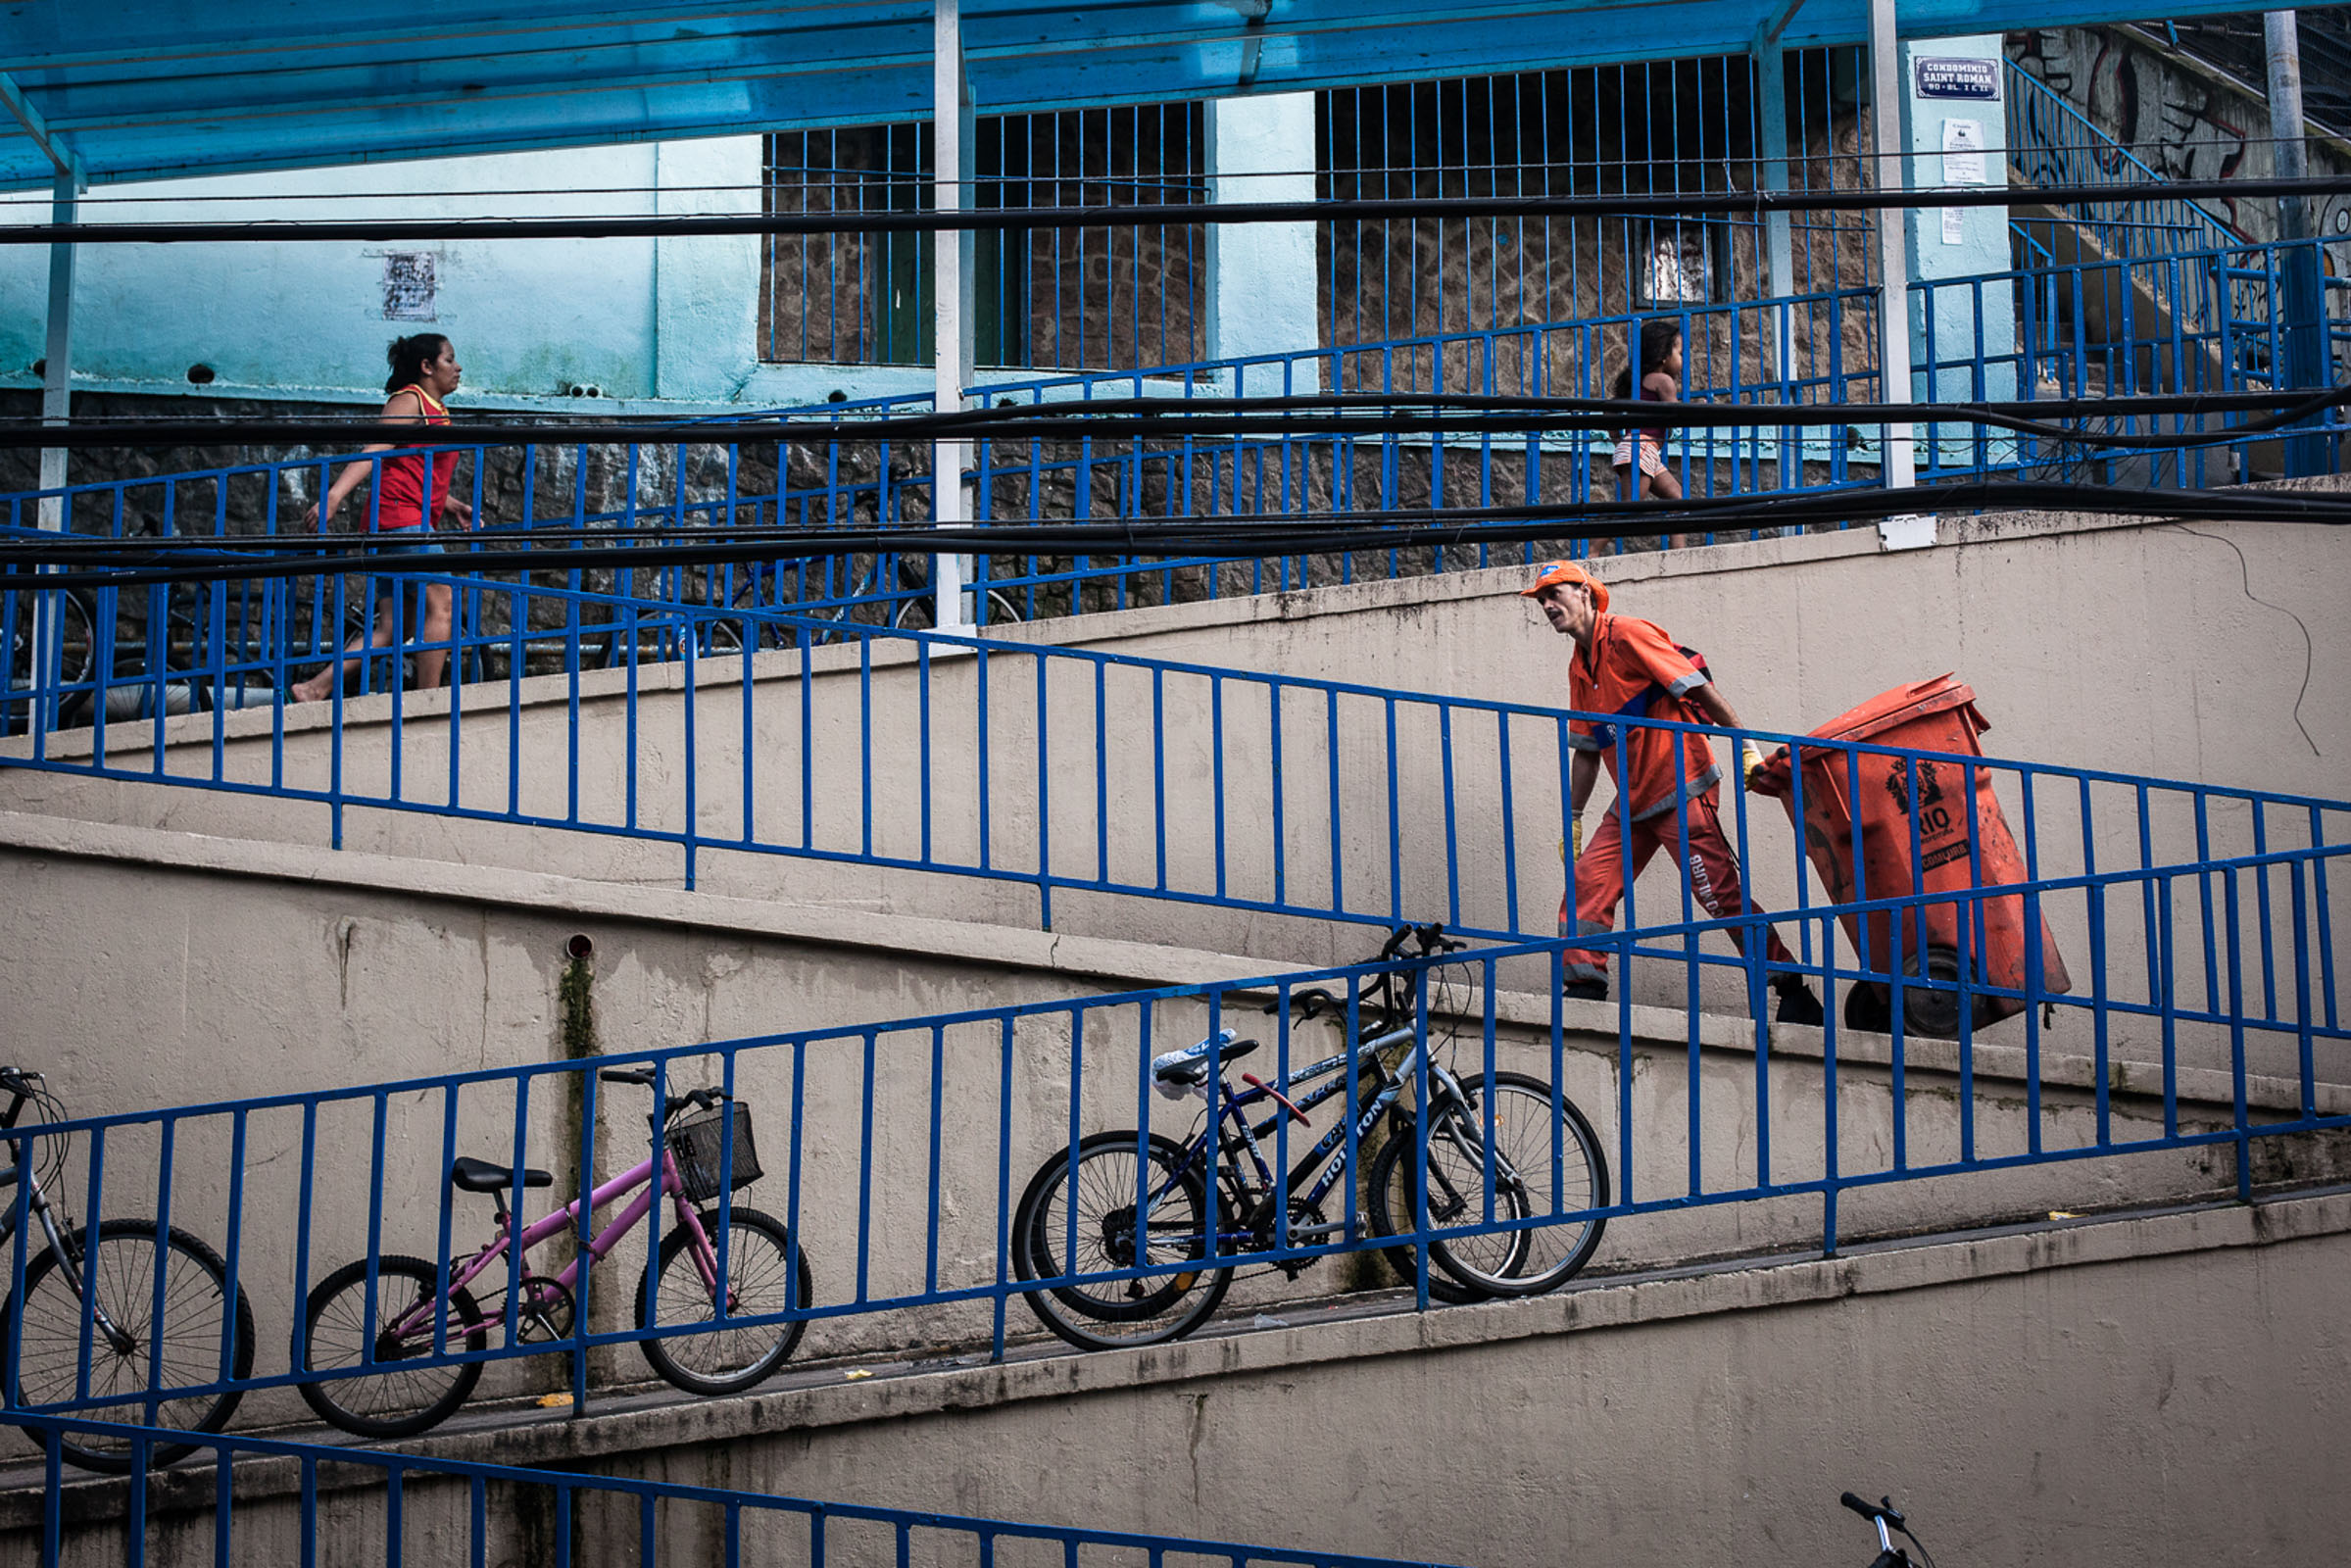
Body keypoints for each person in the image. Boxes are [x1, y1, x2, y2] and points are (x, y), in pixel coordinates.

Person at [1521, 559, 1824, 1026]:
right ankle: (1583, 987)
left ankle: (1790, 985)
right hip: (1634, 803)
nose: (1546, 604)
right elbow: (1586, 749)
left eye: (1554, 593)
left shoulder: (1627, 635)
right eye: (1541, 599)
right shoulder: (1579, 669)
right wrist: (1574, 817)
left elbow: (1699, 690)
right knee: (1586, 886)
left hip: (1682, 788)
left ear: (1584, 592)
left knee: (1720, 896)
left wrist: (1747, 745)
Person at [290, 334, 475, 704]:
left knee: (397, 626)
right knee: (442, 602)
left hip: (399, 519)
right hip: (402, 520)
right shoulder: (410, 400)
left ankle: (314, 688)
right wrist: (334, 495)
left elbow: (410, 464)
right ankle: (428, 702)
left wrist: (450, 503)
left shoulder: (435, 408)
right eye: (449, 360)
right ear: (427, 366)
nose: (457, 368)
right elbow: (375, 449)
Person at [1611, 318, 1684, 507]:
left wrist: (1620, 443)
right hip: (1642, 449)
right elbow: (1678, 413)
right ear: (1664, 356)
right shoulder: (1663, 381)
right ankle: (1587, 537)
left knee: (1677, 499)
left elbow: (1608, 414)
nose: (1681, 360)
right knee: (1629, 509)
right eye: (1679, 353)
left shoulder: (1636, 382)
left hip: (1644, 450)